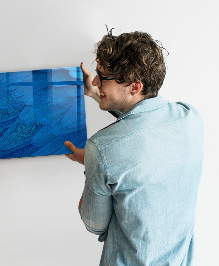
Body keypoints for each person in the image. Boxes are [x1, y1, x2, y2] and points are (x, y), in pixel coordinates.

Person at [64, 30, 204, 265]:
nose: (96, 81)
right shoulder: (190, 118)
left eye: (103, 77)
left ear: (135, 87)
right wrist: (96, 93)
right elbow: (143, 125)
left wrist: (92, 162)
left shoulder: (101, 149)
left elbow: (94, 224)